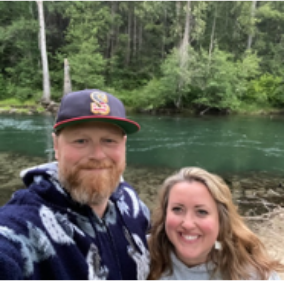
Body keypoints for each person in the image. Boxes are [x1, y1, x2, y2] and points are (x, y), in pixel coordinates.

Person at [0, 89, 150, 281]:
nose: (97, 155)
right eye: (80, 140)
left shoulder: (130, 200)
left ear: (124, 144)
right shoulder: (26, 225)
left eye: (109, 140)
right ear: (56, 145)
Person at [147, 167, 284, 281]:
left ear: (221, 220)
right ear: (165, 215)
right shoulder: (140, 256)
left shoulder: (256, 275)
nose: (188, 224)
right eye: (177, 209)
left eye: (201, 212)